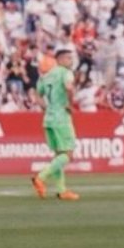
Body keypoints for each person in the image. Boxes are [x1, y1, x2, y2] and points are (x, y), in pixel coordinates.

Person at [31, 46, 80, 201]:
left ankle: (61, 190)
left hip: (49, 118)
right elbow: (69, 88)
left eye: (71, 58)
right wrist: (70, 104)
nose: (70, 61)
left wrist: (45, 107)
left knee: (59, 155)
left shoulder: (44, 76)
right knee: (68, 154)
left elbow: (37, 95)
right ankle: (40, 177)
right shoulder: (65, 73)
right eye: (68, 58)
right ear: (58, 60)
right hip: (61, 118)